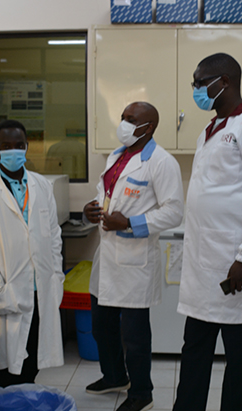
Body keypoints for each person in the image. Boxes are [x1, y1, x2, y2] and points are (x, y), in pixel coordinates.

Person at [174, 53, 242, 411]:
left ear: (224, 81)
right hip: (204, 271)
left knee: (237, 366)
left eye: (200, 81)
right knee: (194, 355)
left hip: (237, 273)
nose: (196, 89)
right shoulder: (212, 129)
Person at [83, 102, 184, 411]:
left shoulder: (161, 162)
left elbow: (174, 211)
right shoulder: (117, 156)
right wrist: (92, 209)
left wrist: (130, 223)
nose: (124, 123)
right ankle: (114, 376)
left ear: (149, 126)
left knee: (135, 336)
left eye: (131, 119)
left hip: (136, 258)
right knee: (101, 324)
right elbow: (108, 195)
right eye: (124, 117)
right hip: (108, 256)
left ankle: (142, 393)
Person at [0, 119, 65, 388]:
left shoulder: (42, 186)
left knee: (31, 365)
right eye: (6, 146)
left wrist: (56, 277)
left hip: (40, 289)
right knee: (8, 370)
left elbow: (54, 237)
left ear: (27, 146)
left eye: (19, 145)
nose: (13, 150)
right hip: (6, 293)